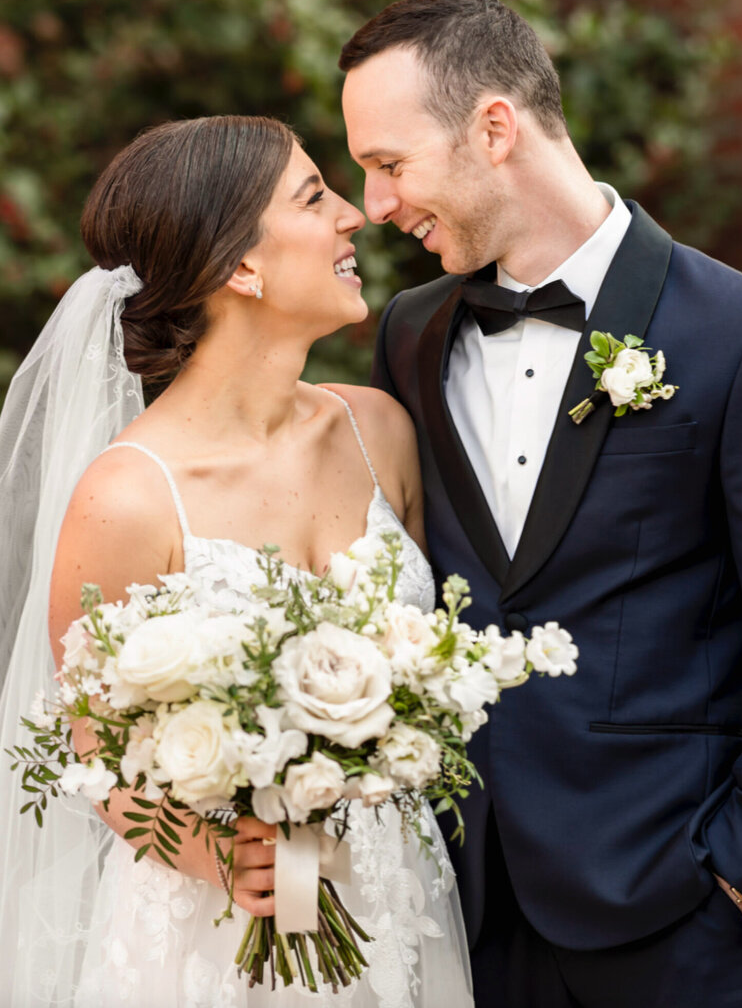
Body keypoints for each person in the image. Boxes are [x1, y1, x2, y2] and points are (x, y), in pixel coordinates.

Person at [338, 0, 742, 1008]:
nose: (375, 206)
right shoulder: (408, 337)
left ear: (492, 127)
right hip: (469, 912)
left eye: (387, 165)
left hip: (680, 913)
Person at [0, 115, 473, 1007]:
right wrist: (216, 853)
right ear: (239, 268)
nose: (354, 216)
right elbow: (91, 748)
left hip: (398, 899)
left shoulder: (379, 430)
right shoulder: (130, 495)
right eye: (313, 195)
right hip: (216, 938)